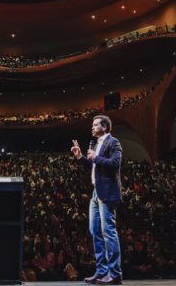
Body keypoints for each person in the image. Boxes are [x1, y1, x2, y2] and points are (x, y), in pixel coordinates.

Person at [71, 115, 123, 285]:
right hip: (96, 192)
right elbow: (93, 165)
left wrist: (95, 157)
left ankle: (115, 274)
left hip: (108, 192)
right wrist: (81, 157)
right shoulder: (95, 144)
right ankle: (101, 272)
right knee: (95, 231)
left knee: (108, 231)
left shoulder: (113, 142)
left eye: (95, 125)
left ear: (105, 127)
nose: (92, 128)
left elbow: (115, 163)